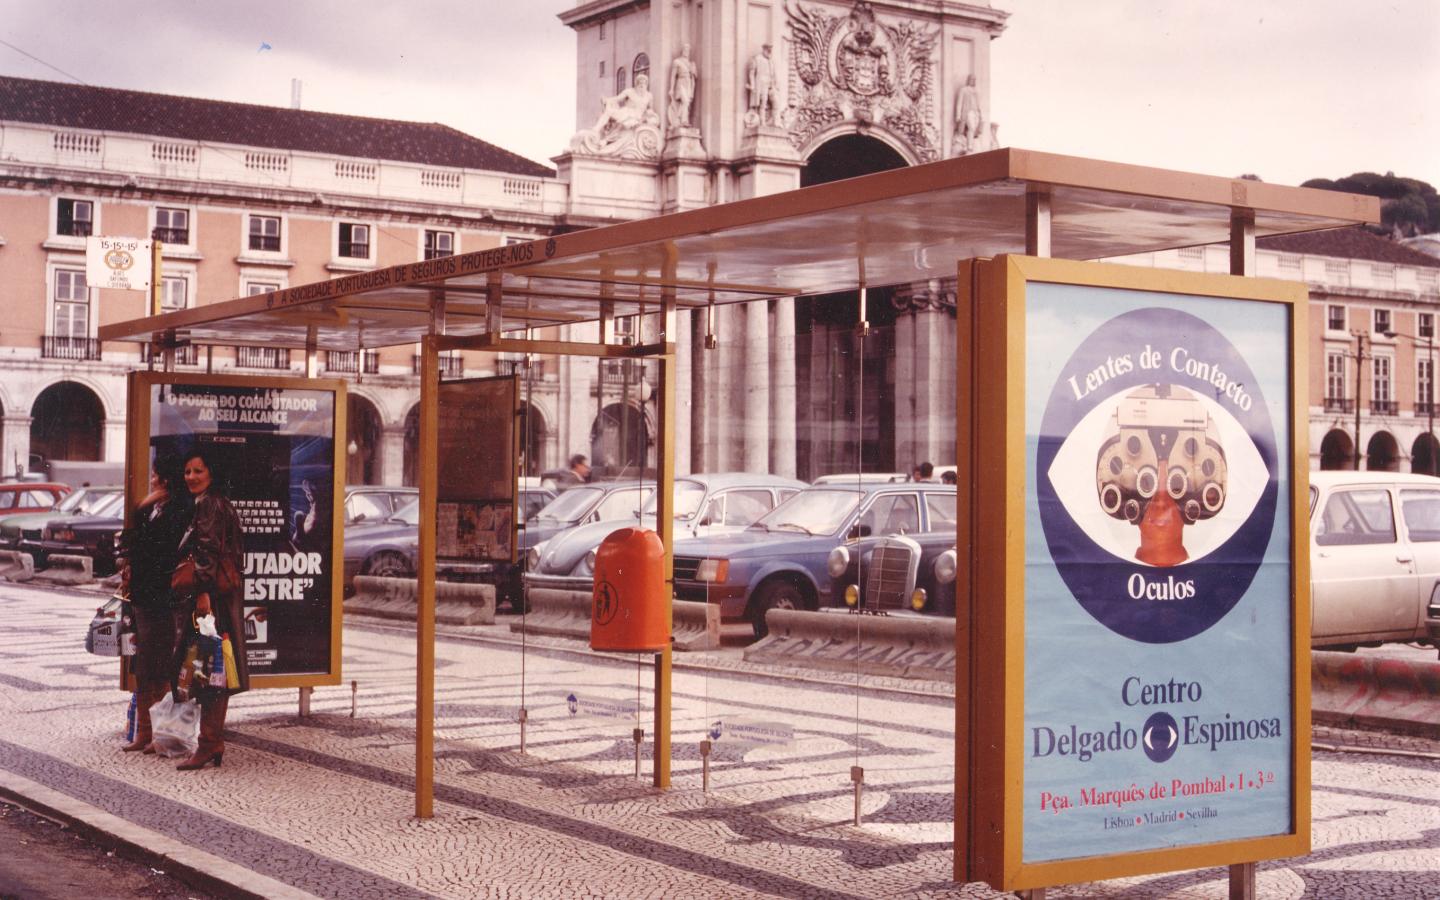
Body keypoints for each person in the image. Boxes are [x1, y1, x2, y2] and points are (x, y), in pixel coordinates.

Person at [174, 449, 249, 770]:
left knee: (210, 668)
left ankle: (209, 744)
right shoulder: (218, 503)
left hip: (211, 598)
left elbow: (206, 550)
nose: (191, 477)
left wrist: (202, 593)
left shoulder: (208, 505)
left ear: (212, 473)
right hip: (220, 596)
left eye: (198, 471)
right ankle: (211, 742)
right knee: (213, 667)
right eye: (188, 471)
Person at [117, 453, 191, 754]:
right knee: (144, 663)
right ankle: (143, 733)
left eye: (155, 473)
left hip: (164, 595)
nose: (151, 478)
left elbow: (161, 548)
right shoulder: (152, 506)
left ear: (164, 477)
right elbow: (133, 542)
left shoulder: (179, 508)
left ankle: (159, 735)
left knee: (160, 665)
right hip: (142, 594)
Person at [745, 43, 778, 126]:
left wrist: (776, 85)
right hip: (761, 84)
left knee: (776, 101)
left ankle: (775, 121)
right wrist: (752, 85)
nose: (769, 52)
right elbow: (751, 73)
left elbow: (774, 74)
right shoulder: (757, 59)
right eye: (768, 50)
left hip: (771, 85)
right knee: (763, 102)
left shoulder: (771, 61)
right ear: (764, 49)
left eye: (770, 50)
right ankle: (762, 122)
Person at [668, 43, 698, 130]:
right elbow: (673, 76)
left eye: (688, 50)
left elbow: (695, 76)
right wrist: (671, 89)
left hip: (689, 83)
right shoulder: (677, 62)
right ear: (682, 50)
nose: (686, 51)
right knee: (685, 101)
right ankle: (684, 121)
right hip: (680, 82)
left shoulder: (691, 63)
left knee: (686, 103)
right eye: (685, 49)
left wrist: (693, 72)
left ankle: (679, 120)